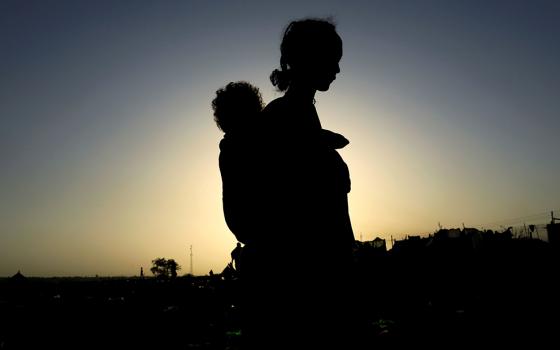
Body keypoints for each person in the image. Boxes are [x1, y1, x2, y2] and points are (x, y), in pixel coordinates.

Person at [214, 18, 358, 349]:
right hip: (303, 287)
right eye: (331, 58)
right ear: (305, 58)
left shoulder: (299, 114)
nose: (337, 69)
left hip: (316, 277)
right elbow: (294, 207)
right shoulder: (284, 116)